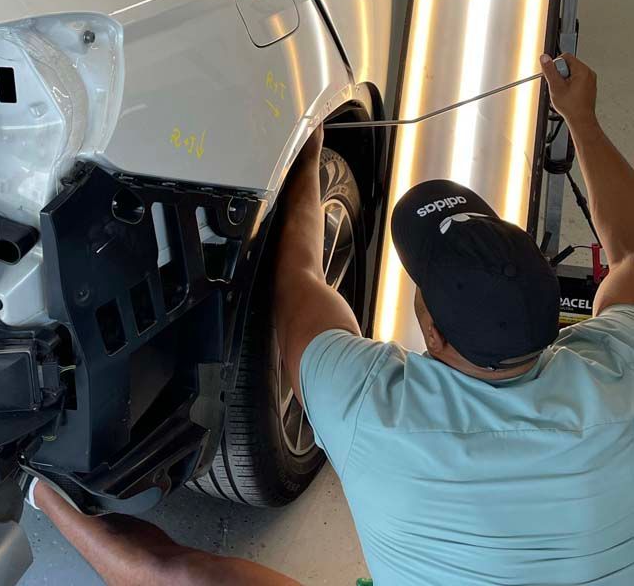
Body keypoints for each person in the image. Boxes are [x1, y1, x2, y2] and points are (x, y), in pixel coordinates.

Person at [33, 52, 634, 585]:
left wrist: (307, 148)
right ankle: (36, 486)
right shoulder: (620, 365)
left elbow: (298, 275)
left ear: (431, 328)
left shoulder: (375, 408)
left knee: (182, 578)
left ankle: (36, 481)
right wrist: (580, 115)